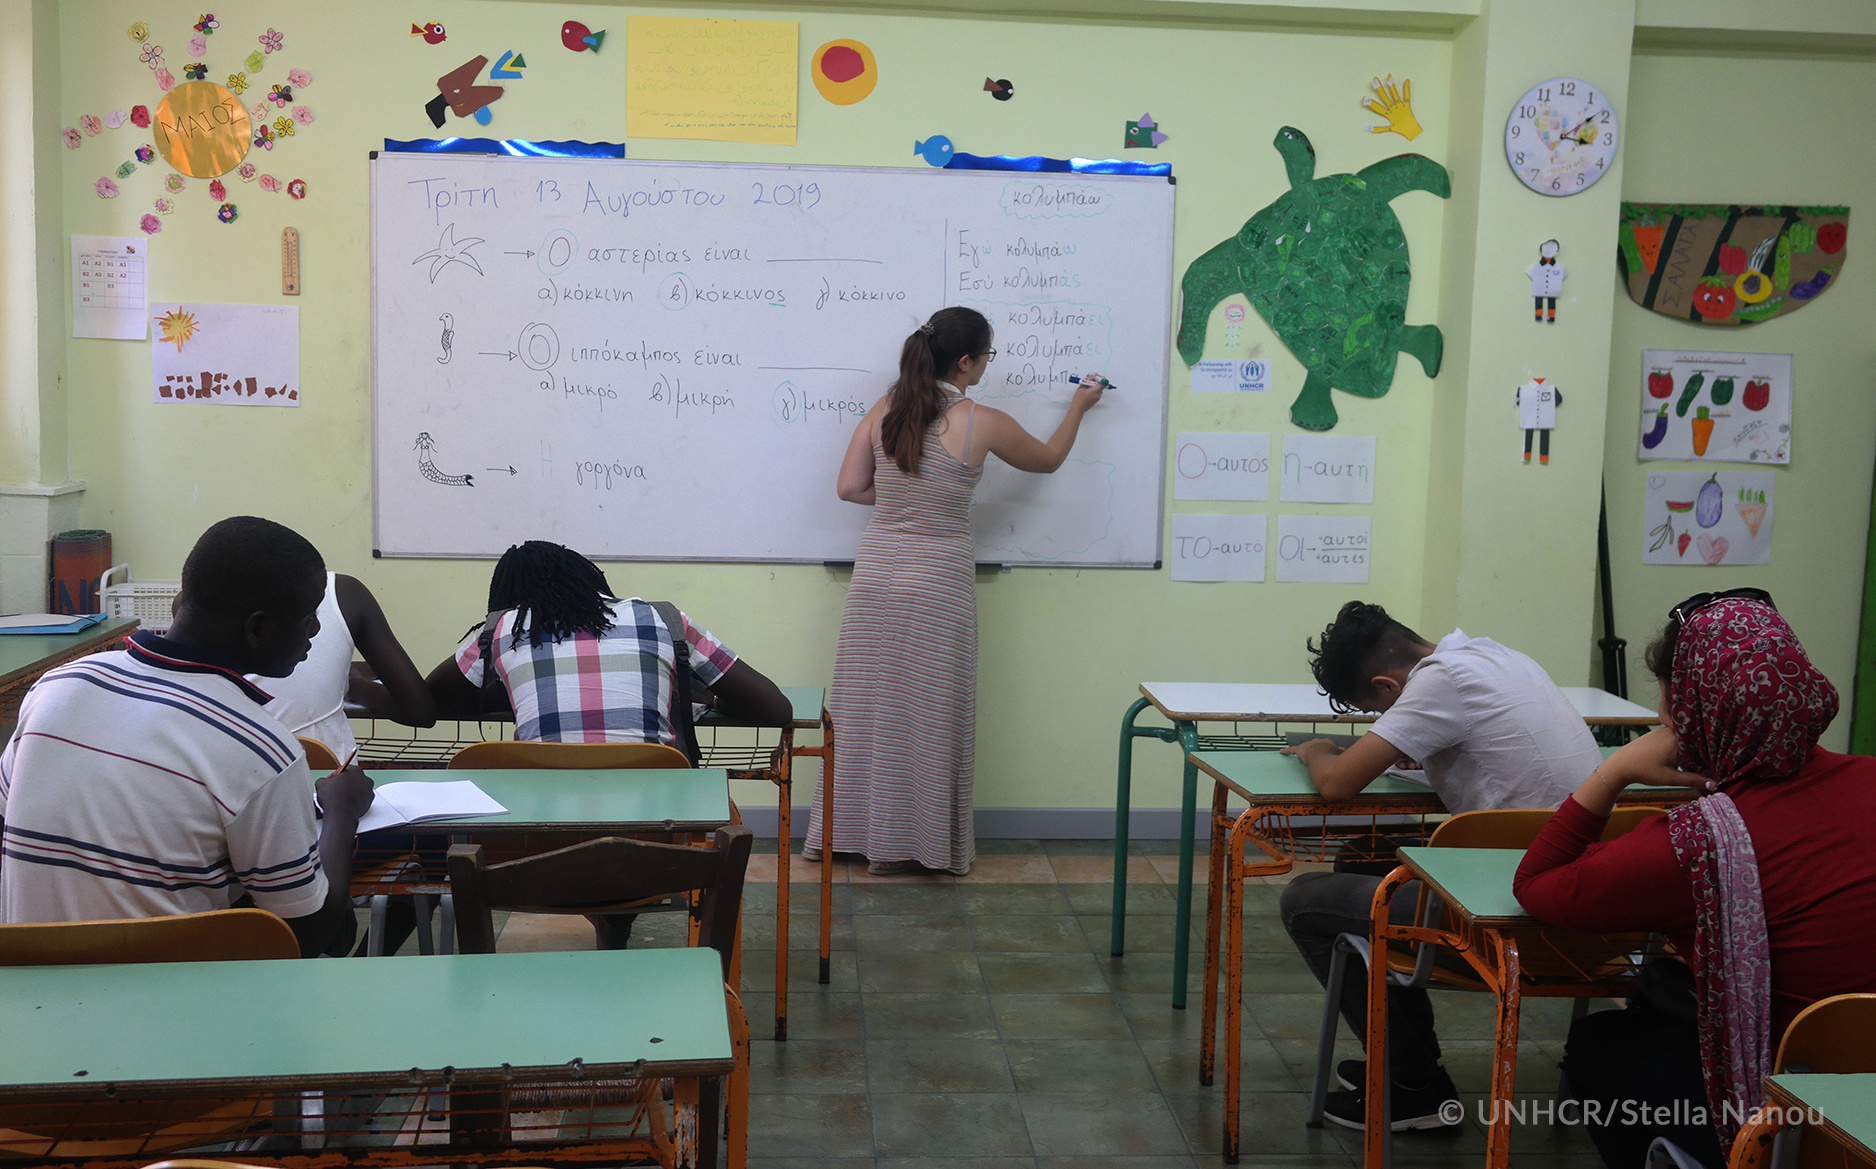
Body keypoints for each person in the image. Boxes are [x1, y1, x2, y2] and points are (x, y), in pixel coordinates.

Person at [1515, 590, 1876, 1169]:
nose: (1662, 718)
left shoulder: (1698, 845)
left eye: (1667, 702)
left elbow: (1537, 882)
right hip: (1865, 1110)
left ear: (1693, 712)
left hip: (1790, 1123)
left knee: (1600, 1047)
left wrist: (1614, 772)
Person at [802, 307, 1106, 877]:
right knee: (930, 711)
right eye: (987, 356)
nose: (988, 365)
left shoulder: (885, 409)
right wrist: (1079, 407)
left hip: (876, 577)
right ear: (965, 362)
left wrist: (902, 500)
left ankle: (851, 836)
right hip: (937, 581)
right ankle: (921, 845)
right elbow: (1047, 460)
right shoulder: (980, 420)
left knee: (865, 710)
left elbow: (849, 488)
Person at [1278, 600, 1602, 1131]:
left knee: (1303, 902)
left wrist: (1317, 750)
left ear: (1386, 684)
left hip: (1516, 914)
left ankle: (1412, 1088)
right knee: (1364, 858)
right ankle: (1407, 1063)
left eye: (1380, 711)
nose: (1385, 721)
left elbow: (1336, 784)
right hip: (1585, 890)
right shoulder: (1496, 656)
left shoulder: (1438, 684)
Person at [0, 516, 374, 958]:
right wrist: (342, 811)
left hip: (25, 982)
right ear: (258, 628)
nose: (315, 630)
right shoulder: (262, 749)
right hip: (168, 991)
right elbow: (306, 936)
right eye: (308, 617)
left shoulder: (55, 686)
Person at [425, 541, 788, 948]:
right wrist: (707, 697)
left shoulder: (501, 629)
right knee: (638, 800)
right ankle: (614, 920)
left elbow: (430, 700)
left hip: (523, 852)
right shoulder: (665, 619)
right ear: (592, 578)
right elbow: (776, 708)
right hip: (655, 846)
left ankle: (603, 917)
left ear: (510, 600)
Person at [249, 572, 438, 762]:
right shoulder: (345, 591)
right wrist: (355, 686)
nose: (316, 629)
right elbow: (420, 711)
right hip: (331, 772)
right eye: (309, 619)